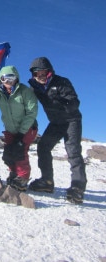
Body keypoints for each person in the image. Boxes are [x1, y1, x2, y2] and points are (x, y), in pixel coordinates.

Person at [28, 57, 87, 204]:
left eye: (43, 73)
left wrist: (61, 101)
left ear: (49, 72)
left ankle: (77, 188)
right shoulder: (35, 87)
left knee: (73, 152)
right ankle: (47, 181)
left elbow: (75, 102)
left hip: (71, 120)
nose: (40, 76)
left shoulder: (61, 82)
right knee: (43, 147)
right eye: (36, 74)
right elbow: (27, 101)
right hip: (55, 123)